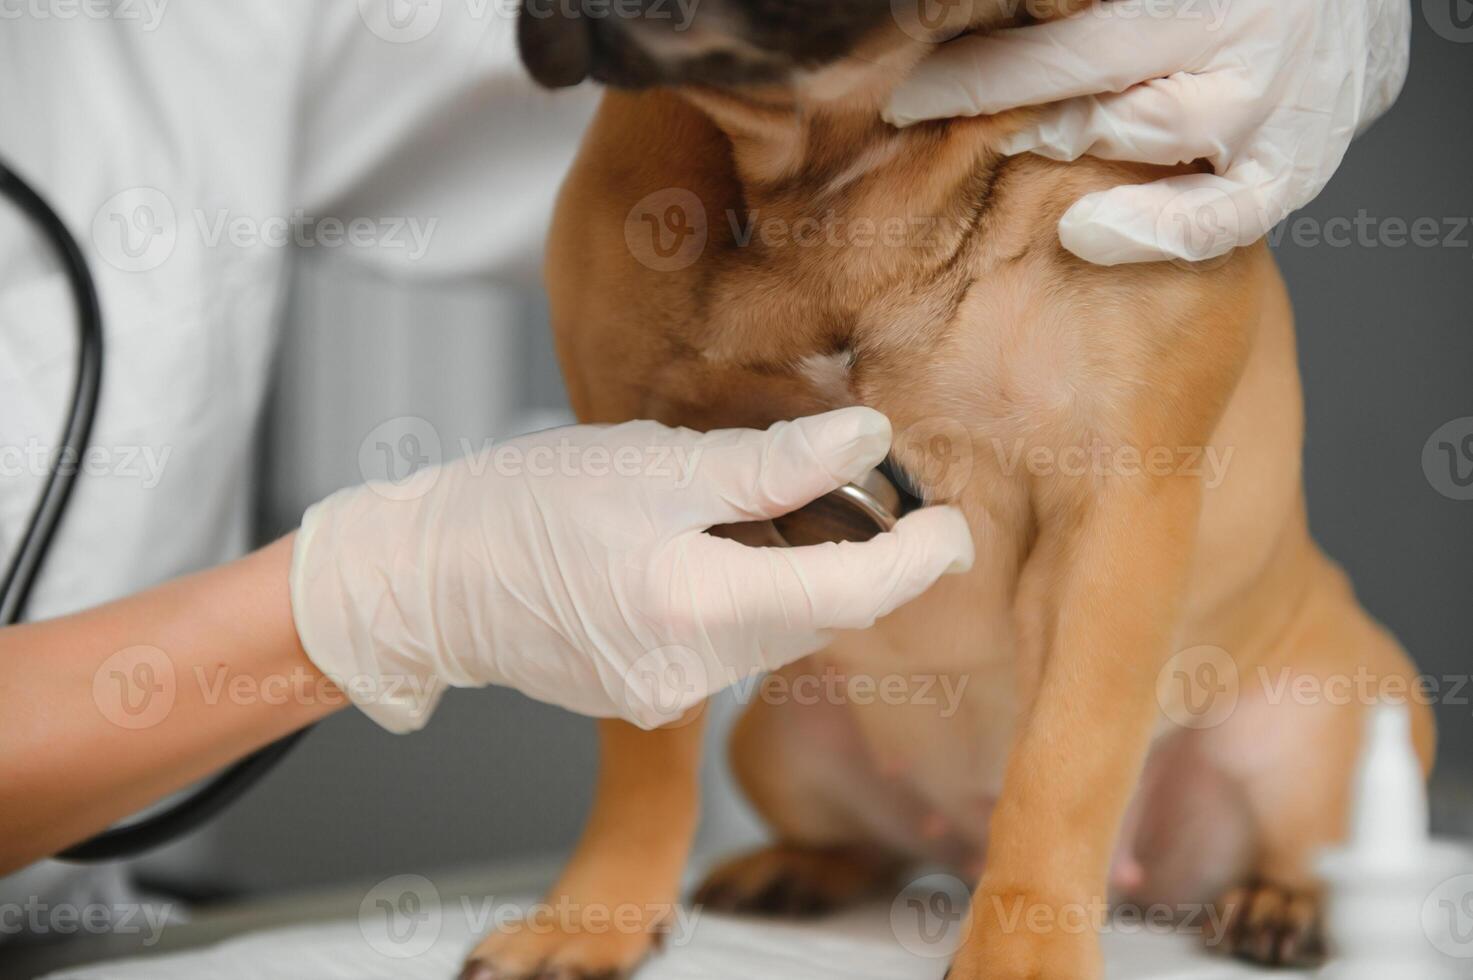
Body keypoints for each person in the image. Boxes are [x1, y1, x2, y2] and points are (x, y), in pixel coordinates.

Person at [0, 0, 1408, 938]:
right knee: (785, 762)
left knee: (1324, 739)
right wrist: (361, 599)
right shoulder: (639, 187)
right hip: (114, 911)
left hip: (1195, 723)